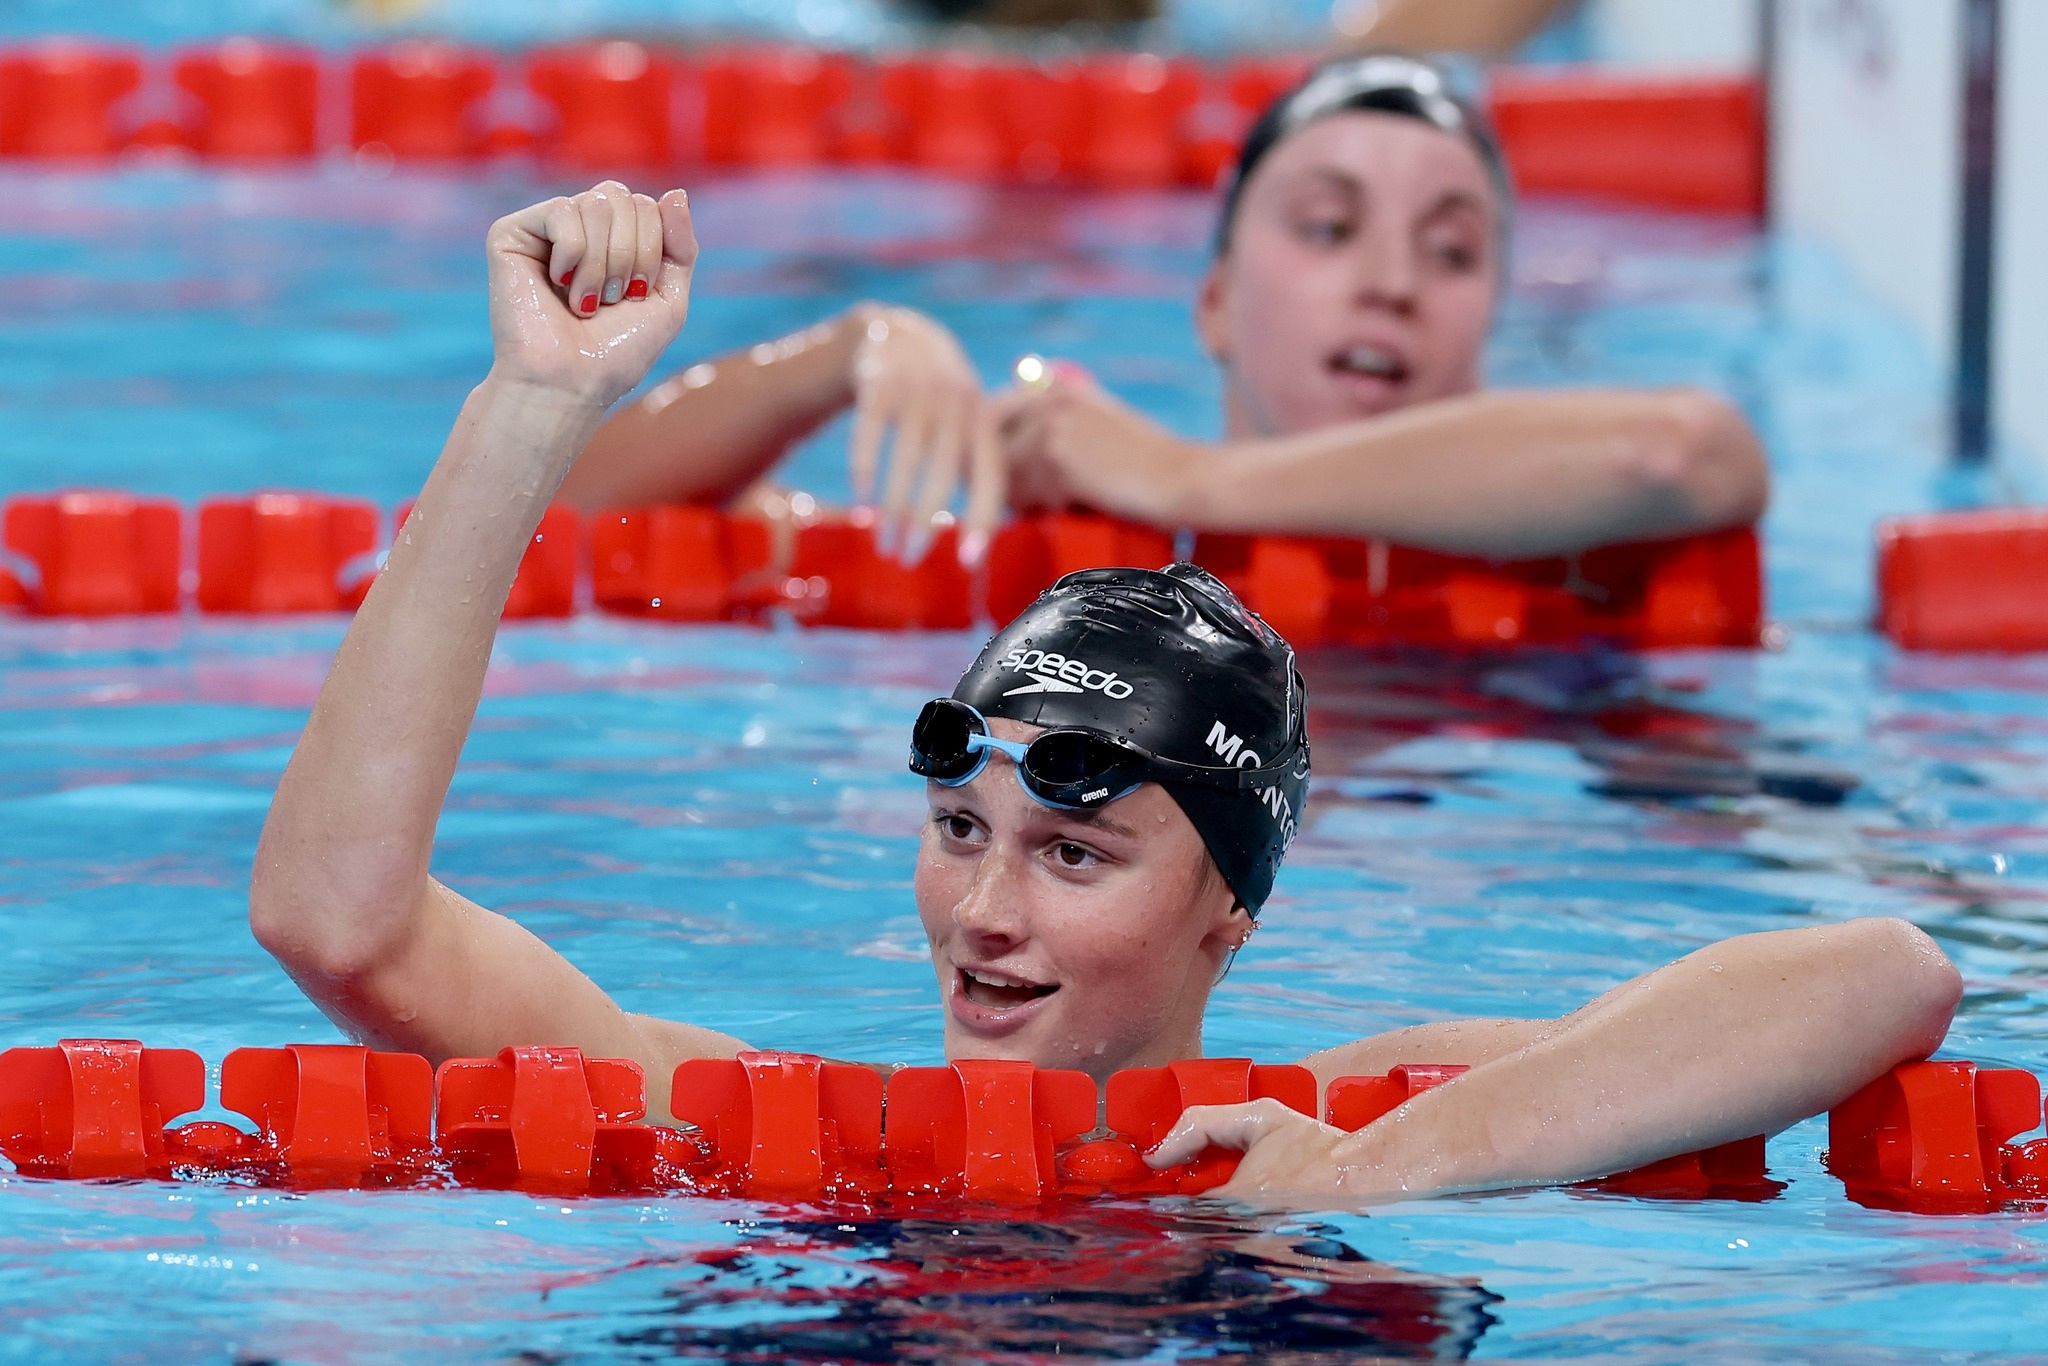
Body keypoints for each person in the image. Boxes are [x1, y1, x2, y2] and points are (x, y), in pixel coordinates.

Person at [250, 181, 1959, 1208]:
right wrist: (526, 413)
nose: (980, 912)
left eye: (1074, 854)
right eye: (958, 828)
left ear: (1229, 911)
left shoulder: (1347, 1117)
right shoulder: (767, 1130)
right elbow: (344, 924)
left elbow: (1875, 973)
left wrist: (1382, 1169)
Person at [560, 54, 1768, 570]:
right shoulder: (1070, 533)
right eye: (1329, 229)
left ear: (1488, 315)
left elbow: (1682, 451)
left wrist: (1192, 482)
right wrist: (840, 354)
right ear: (1212, 306)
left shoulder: (1583, 563)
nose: (1392, 282)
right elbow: (545, 527)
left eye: (1448, 251)